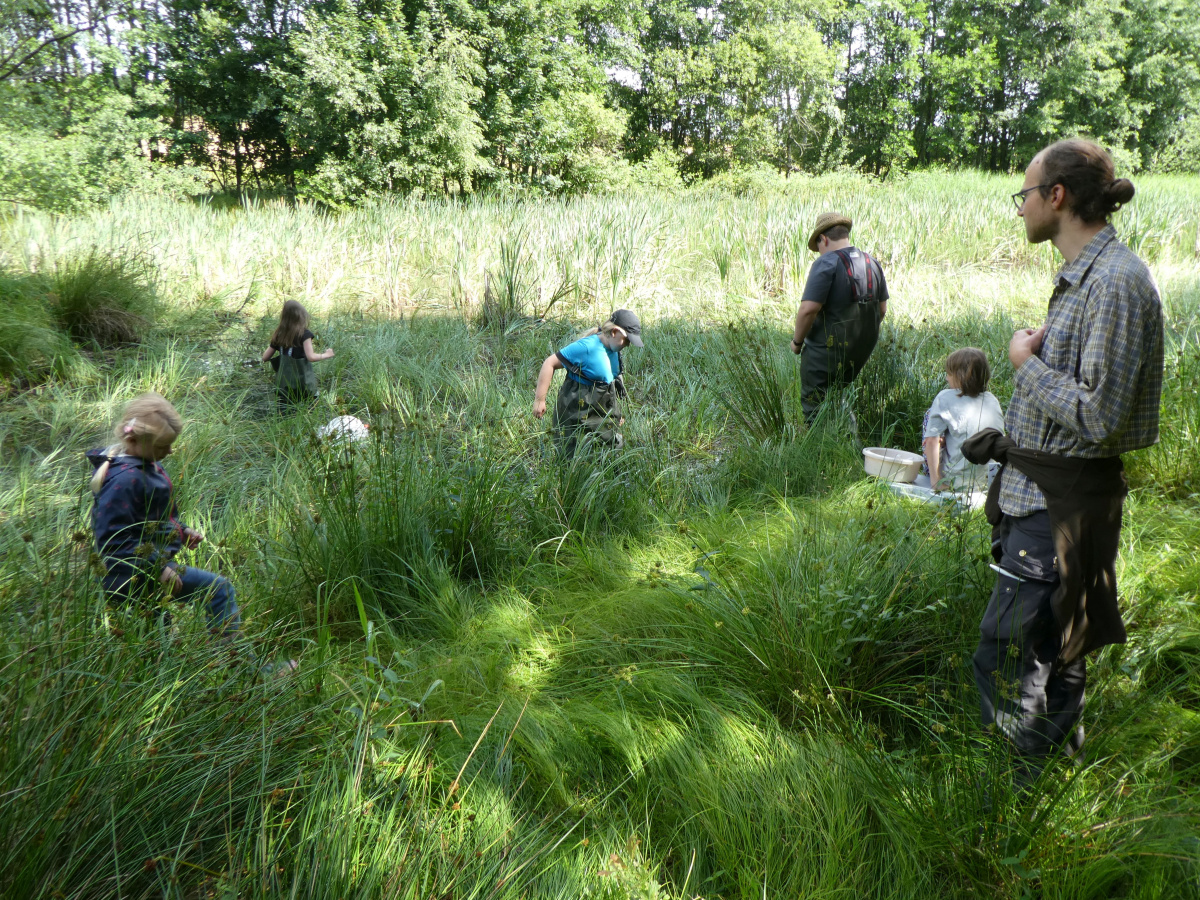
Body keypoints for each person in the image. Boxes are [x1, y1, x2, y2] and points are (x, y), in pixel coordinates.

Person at [969, 138, 1163, 784]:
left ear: (1056, 197)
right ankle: (1048, 790)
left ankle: (1011, 800)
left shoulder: (1114, 282)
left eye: (1024, 194)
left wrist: (1024, 366)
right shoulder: (1089, 276)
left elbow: (1101, 417)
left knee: (1011, 656)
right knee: (1053, 647)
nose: (1020, 206)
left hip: (1057, 510)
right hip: (1048, 503)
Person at [87, 393, 241, 637]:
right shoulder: (125, 480)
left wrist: (181, 530)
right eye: (162, 447)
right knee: (218, 589)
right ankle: (234, 657)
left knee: (158, 637)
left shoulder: (144, 463)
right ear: (133, 439)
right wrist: (157, 568)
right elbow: (113, 539)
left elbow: (153, 517)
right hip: (129, 574)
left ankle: (167, 654)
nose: (169, 451)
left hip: (145, 568)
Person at [790, 212, 888, 423]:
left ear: (823, 239)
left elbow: (808, 309)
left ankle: (821, 443)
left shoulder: (826, 263)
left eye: (818, 247)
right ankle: (848, 441)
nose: (819, 252)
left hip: (825, 352)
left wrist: (797, 343)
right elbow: (881, 310)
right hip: (860, 351)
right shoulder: (872, 262)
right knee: (838, 397)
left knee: (815, 407)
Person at [532, 309, 643, 455]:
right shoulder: (586, 347)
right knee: (573, 450)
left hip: (602, 404)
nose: (628, 345)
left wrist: (615, 414)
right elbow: (549, 363)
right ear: (614, 332)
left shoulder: (614, 349)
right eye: (627, 340)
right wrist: (540, 400)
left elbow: (611, 381)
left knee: (606, 449)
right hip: (578, 404)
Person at [920, 348, 1005, 492]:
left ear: (960, 376)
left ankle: (935, 480)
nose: (946, 378)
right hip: (989, 483)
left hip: (954, 483)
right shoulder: (993, 401)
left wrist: (936, 482)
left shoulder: (944, 397)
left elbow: (931, 441)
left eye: (949, 374)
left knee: (930, 418)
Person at [261, 300, 334, 408]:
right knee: (310, 407)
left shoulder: (279, 334)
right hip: (303, 384)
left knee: (285, 410)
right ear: (301, 317)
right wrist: (327, 354)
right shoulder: (305, 334)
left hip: (284, 386)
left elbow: (265, 358)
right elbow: (311, 357)